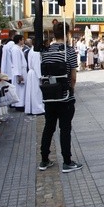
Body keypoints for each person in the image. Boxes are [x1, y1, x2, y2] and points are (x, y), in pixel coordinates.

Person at [39, 22, 82, 173]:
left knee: (48, 127)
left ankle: (44, 159)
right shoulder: (68, 51)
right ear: (67, 33)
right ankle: (67, 161)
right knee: (65, 129)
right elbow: (73, 75)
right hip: (64, 96)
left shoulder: (45, 51)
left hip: (49, 95)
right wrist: (72, 90)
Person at [25, 41, 45, 115]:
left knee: (32, 92)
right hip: (35, 74)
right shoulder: (36, 52)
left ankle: (32, 108)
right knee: (37, 92)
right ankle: (38, 108)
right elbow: (37, 65)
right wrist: (40, 77)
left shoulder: (31, 50)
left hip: (31, 73)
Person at [10, 35, 27, 111]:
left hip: (22, 70)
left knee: (21, 89)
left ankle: (21, 103)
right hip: (19, 72)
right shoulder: (15, 49)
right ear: (19, 40)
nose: (23, 41)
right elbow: (16, 62)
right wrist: (19, 74)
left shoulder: (18, 48)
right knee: (19, 89)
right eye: (22, 39)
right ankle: (19, 105)